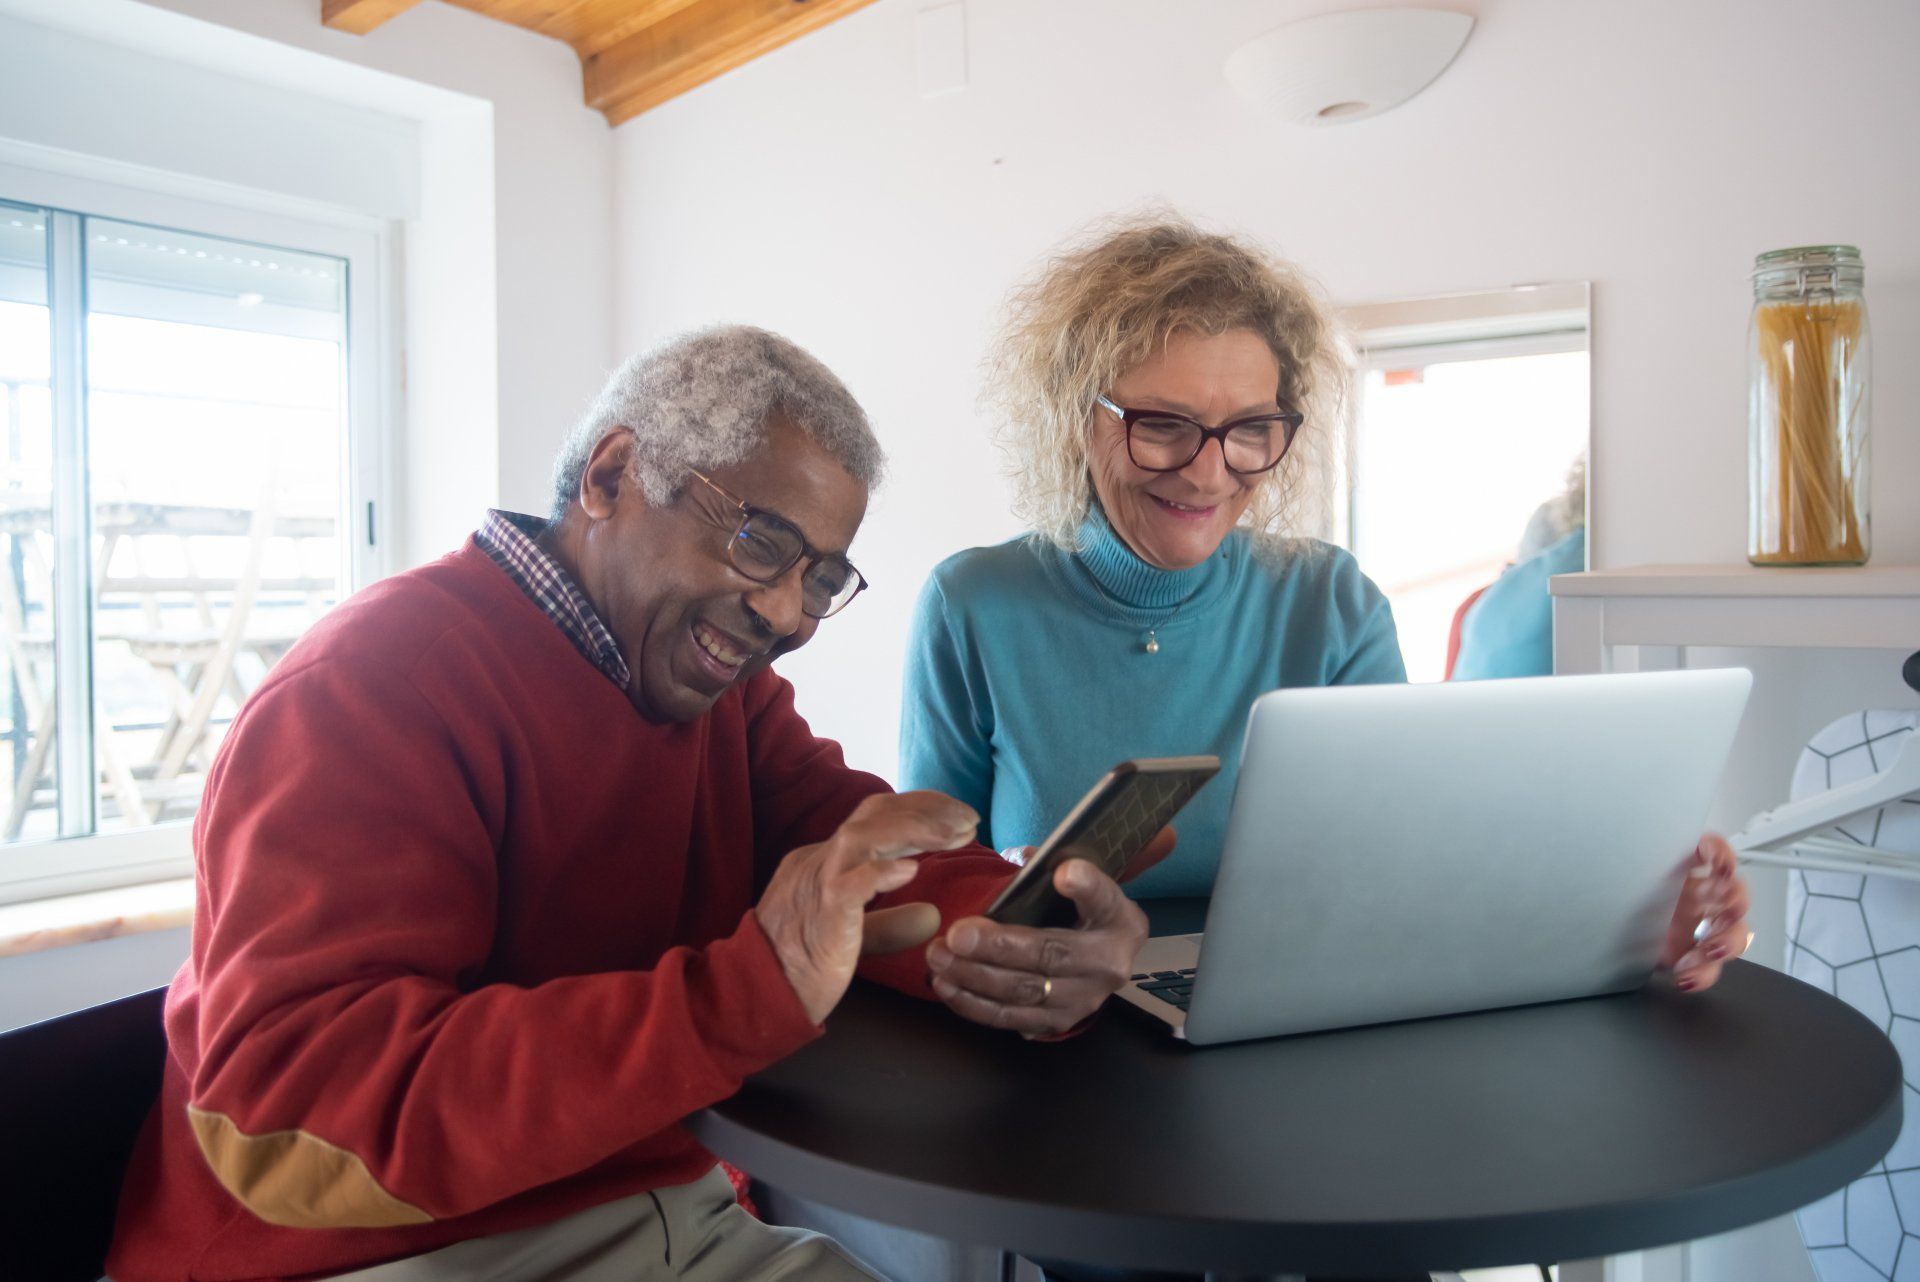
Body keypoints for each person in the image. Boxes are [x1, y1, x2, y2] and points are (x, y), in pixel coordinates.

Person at [106, 326, 1155, 1282]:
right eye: (759, 543)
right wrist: (731, 995)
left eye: (821, 578)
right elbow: (281, 1127)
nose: (787, 614)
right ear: (612, 475)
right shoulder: (371, 689)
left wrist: (1029, 930)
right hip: (361, 1255)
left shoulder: (720, 693)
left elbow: (855, 846)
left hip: (661, 1211)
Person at [899, 218, 1752, 1282]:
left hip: (1308, 1040)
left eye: (1251, 428)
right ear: (1078, 417)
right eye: (1163, 426)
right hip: (1077, 1053)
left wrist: (1628, 908)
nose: (1210, 472)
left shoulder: (1329, 596)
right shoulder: (975, 603)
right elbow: (931, 885)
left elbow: (1418, 861)